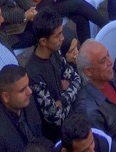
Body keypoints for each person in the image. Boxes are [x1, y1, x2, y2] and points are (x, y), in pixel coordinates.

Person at [25, 11, 82, 141]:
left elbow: (77, 79)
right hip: (58, 137)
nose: (62, 38)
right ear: (43, 41)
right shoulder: (33, 74)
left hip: (72, 120)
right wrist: (70, 91)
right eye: (58, 35)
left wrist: (62, 100)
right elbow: (55, 117)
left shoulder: (55, 52)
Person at [0, 64, 43, 152]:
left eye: (28, 85)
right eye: (22, 90)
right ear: (6, 97)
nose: (29, 92)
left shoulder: (28, 102)